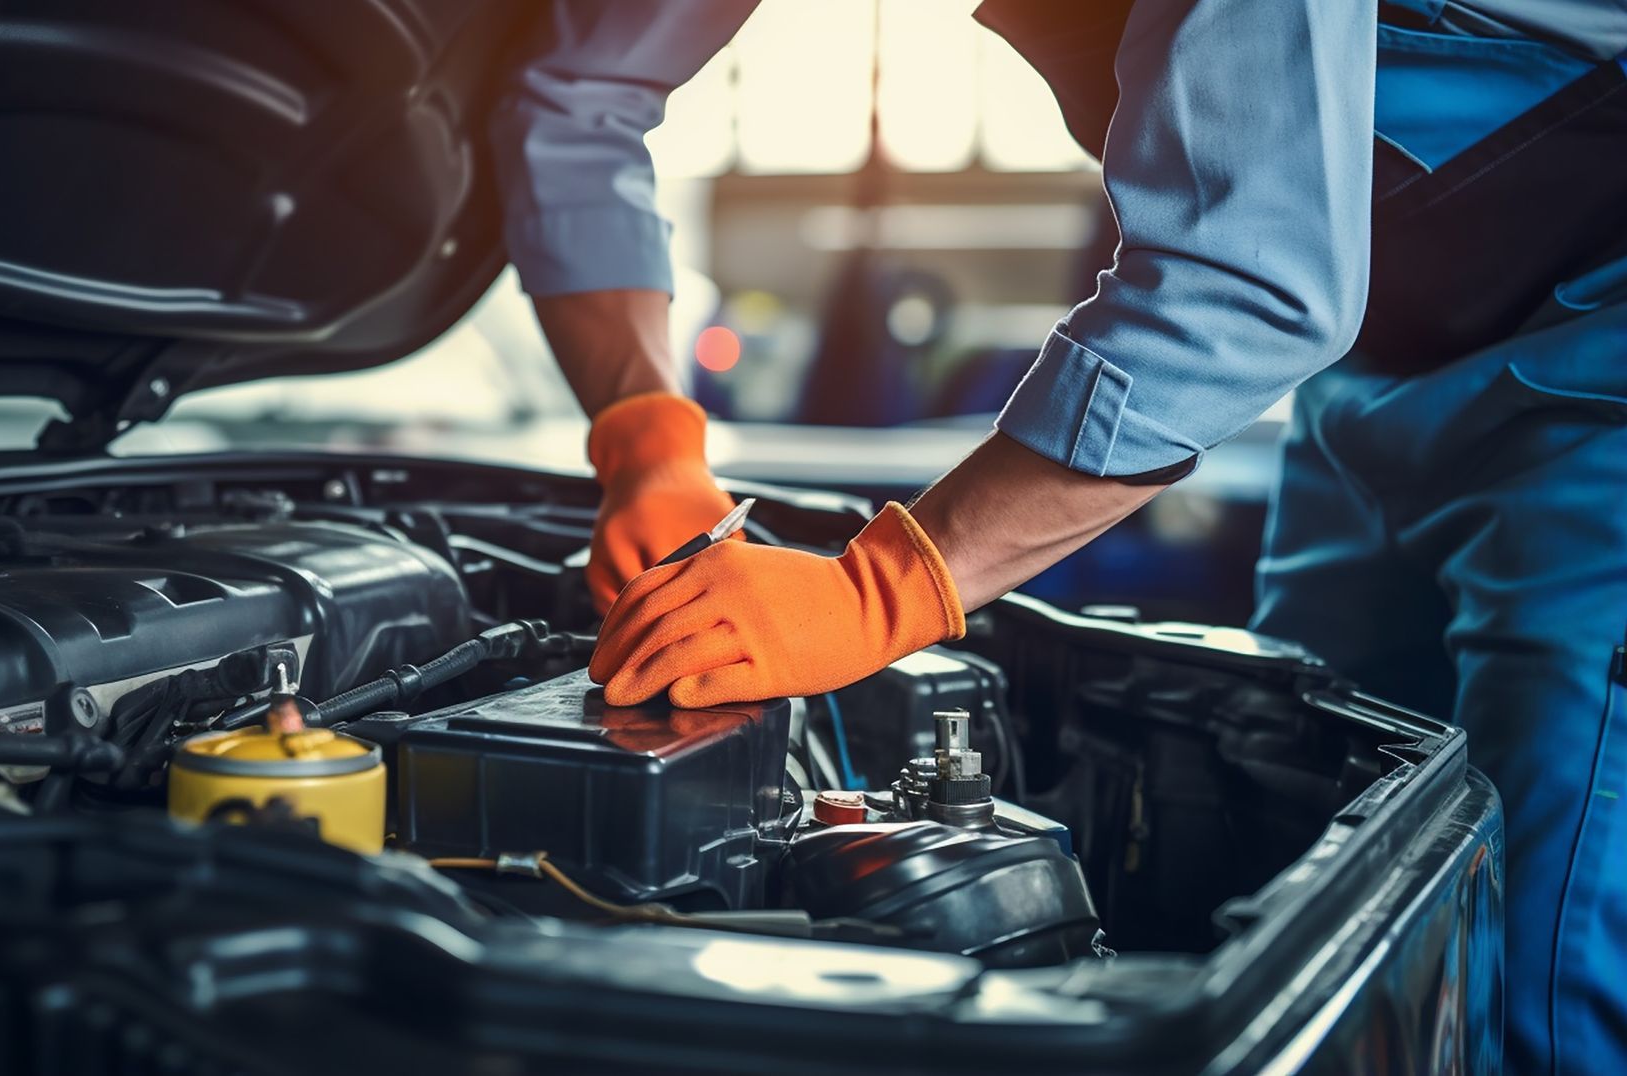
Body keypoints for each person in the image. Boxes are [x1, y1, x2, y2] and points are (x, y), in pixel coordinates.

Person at [490, 2, 1627, 1071]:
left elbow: (1245, 284)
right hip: (1373, 368)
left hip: (1601, 372)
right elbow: (581, 97)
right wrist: (646, 440)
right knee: (1310, 860)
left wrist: (881, 592)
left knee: (1532, 958)